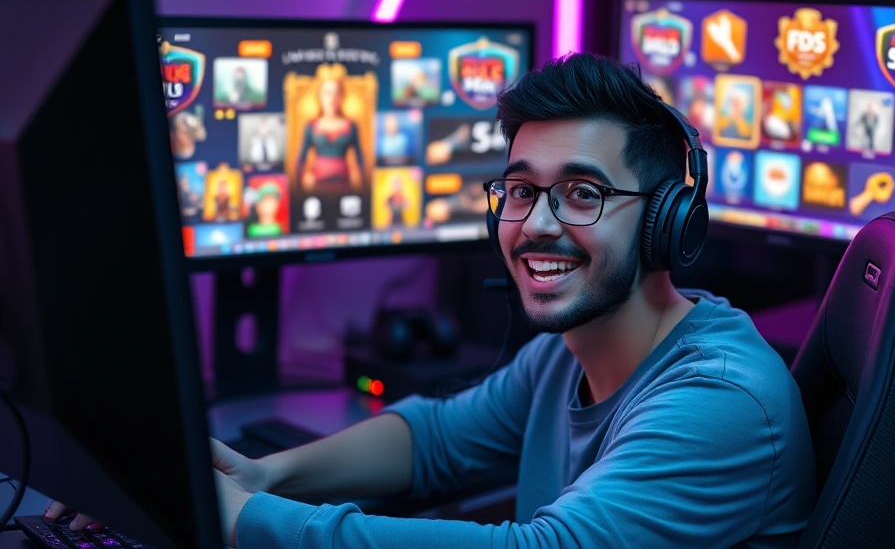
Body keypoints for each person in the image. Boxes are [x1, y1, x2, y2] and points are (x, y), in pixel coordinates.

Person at [47, 53, 815, 548]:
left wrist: (236, 522)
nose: (536, 224)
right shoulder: (566, 354)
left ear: (665, 223)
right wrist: (260, 478)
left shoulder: (718, 397)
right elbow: (434, 438)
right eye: (519, 190)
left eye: (582, 192)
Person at [296, 76, 365, 192]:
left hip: (344, 183)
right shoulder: (311, 125)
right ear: (320, 97)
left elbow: (360, 158)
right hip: (316, 184)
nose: (332, 98)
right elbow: (301, 157)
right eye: (327, 94)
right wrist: (300, 182)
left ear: (342, 96)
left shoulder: (351, 125)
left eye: (336, 93)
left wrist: (362, 182)